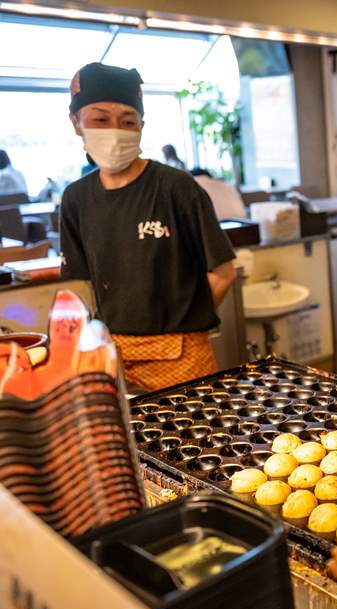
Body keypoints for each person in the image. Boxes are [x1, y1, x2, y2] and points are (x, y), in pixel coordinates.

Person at [59, 62, 237, 391]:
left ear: (141, 125)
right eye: (100, 120)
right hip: (111, 354)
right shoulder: (75, 199)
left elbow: (223, 273)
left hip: (182, 355)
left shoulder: (177, 188)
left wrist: (186, 324)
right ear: (76, 123)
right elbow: (80, 286)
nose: (115, 131)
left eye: (128, 121)